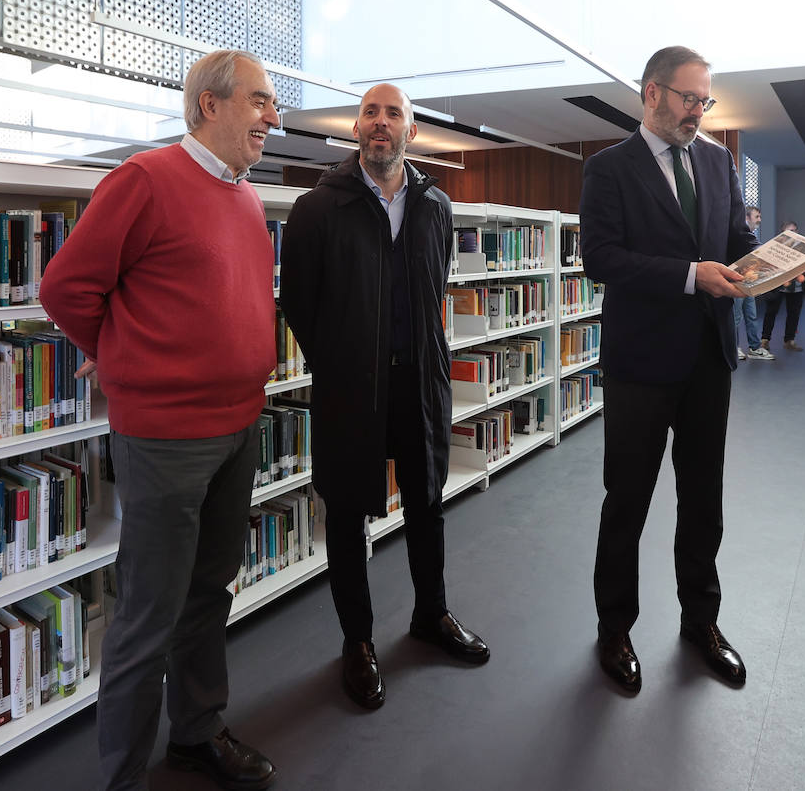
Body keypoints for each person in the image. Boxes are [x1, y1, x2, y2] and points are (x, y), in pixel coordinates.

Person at [40, 50, 279, 791]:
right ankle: (122, 775)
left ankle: (197, 734)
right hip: (168, 438)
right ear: (210, 105)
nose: (273, 117)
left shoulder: (243, 198)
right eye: (259, 101)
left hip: (239, 424)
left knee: (211, 591)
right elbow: (66, 287)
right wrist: (112, 348)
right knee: (149, 613)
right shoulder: (143, 181)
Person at [279, 83, 488, 712]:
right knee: (346, 514)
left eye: (393, 113)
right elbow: (298, 302)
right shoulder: (319, 208)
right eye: (370, 112)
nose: (380, 122)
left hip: (419, 380)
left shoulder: (436, 206)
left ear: (411, 132)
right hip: (351, 387)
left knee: (427, 501)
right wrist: (336, 361)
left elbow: (436, 285)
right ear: (356, 130)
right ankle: (358, 642)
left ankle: (431, 614)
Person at [579, 46, 756, 693]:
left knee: (703, 500)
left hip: (709, 359)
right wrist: (689, 277)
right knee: (627, 501)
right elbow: (600, 259)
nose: (697, 111)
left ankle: (700, 623)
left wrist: (772, 263)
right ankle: (614, 629)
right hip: (640, 364)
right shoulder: (609, 170)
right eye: (688, 98)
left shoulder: (716, 160)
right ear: (651, 93)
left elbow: (734, 240)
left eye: (704, 100)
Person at [755, 220, 805, 356]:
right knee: (771, 312)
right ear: (783, 233)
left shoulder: (803, 247)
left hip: (796, 286)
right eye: (790, 231)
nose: (793, 233)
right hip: (778, 286)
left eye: (795, 230)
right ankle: (765, 339)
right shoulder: (775, 247)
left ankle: (789, 340)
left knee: (794, 314)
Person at [732, 205, 763, 360]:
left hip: (749, 283)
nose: (759, 220)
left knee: (751, 315)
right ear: (747, 218)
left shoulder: (752, 236)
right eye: (756, 216)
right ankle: (734, 347)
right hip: (737, 283)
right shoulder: (737, 236)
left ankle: (755, 348)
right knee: (736, 317)